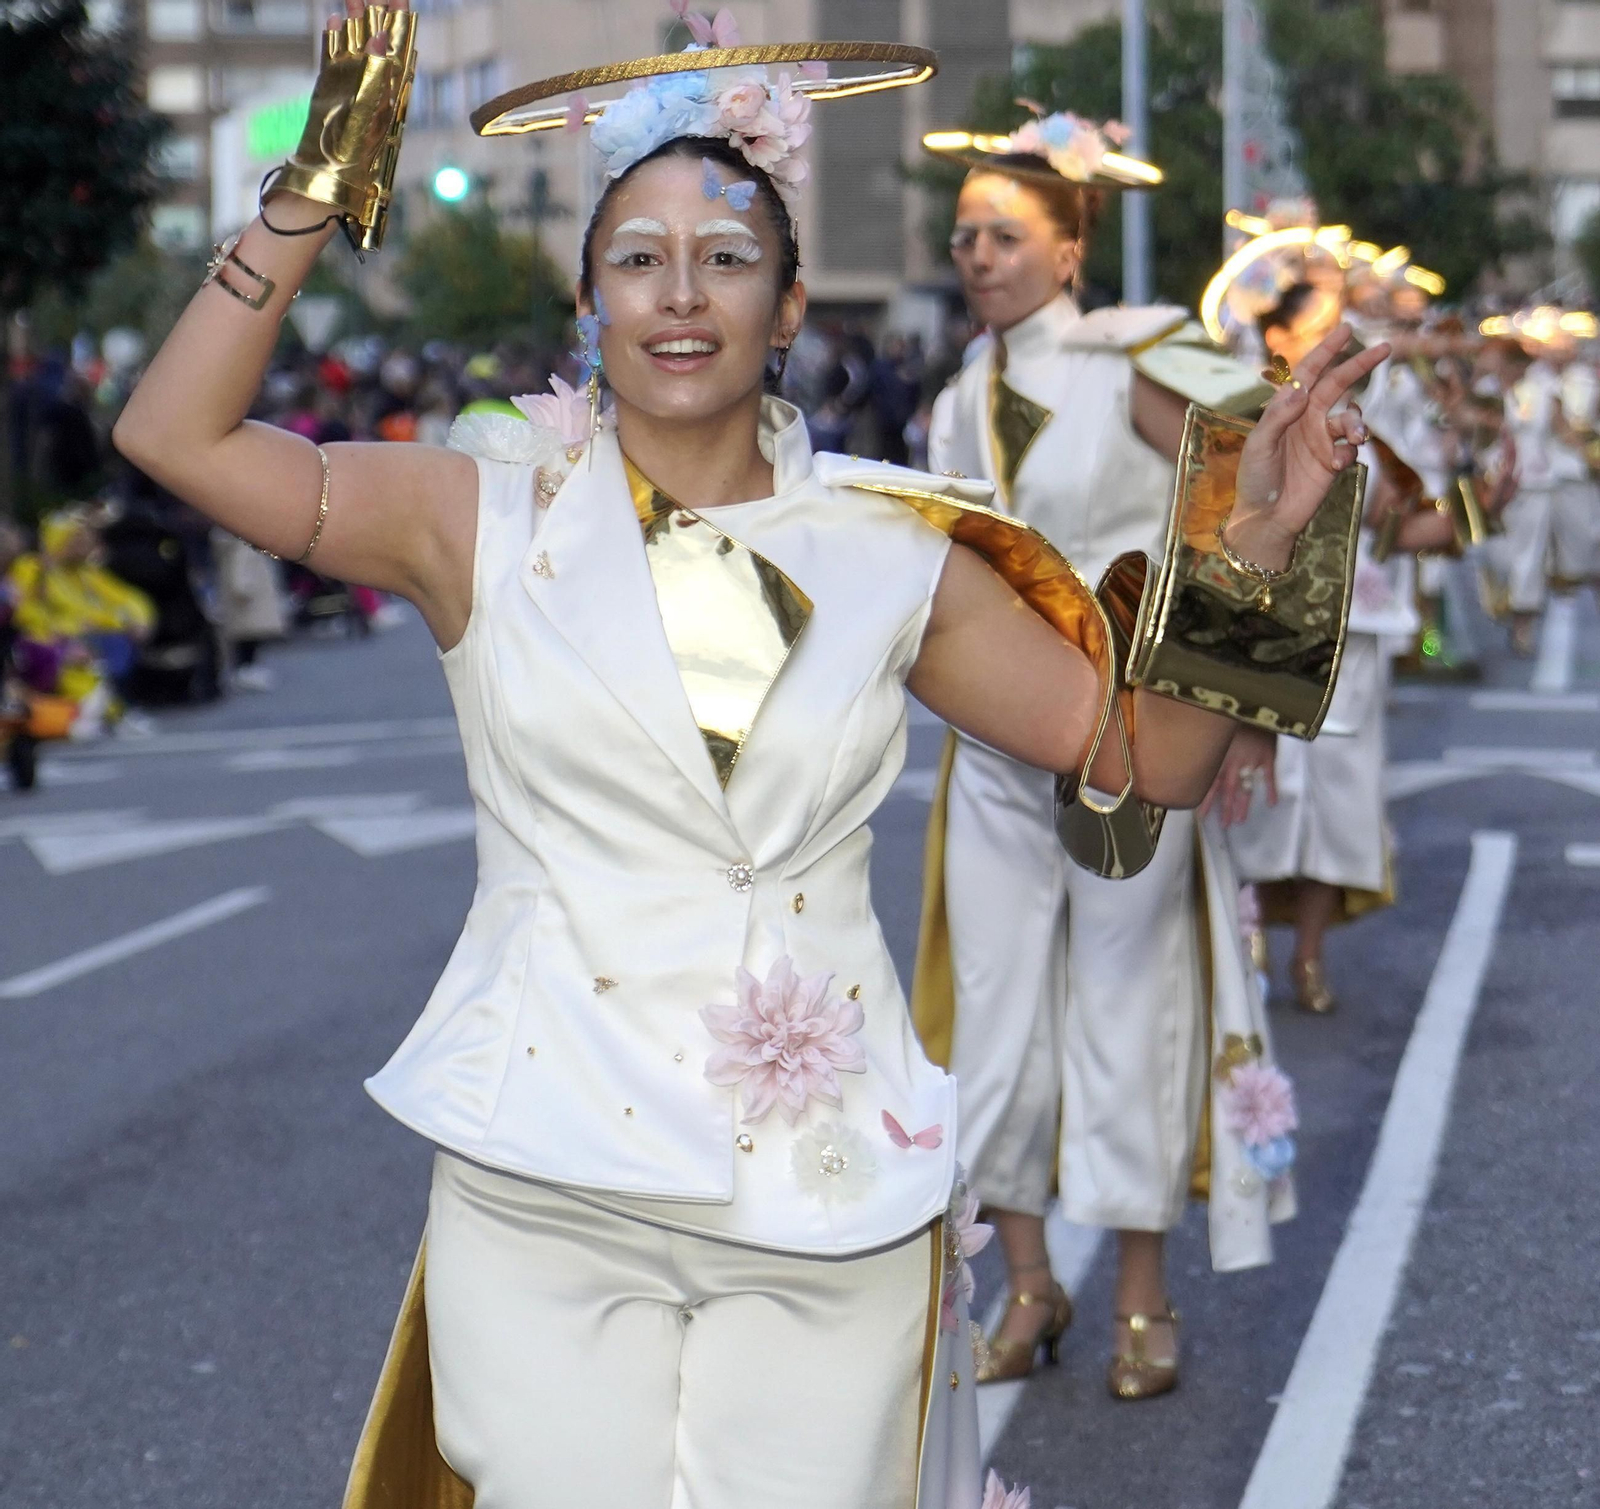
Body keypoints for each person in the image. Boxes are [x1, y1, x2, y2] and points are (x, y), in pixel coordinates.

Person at [110, 4, 1379, 1503]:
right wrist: (310, 184)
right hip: (546, 1170)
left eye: (726, 255)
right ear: (591, 299)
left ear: (786, 307)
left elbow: (1145, 758)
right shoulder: (474, 516)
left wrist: (1266, 550)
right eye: (637, 257)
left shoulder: (892, 550)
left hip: (820, 1186)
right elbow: (176, 434)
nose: (679, 291)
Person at [912, 115, 1303, 1402]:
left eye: (1006, 234)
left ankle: (1142, 1286)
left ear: (1071, 246)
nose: (978, 254)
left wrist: (1235, 708)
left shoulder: (1137, 356)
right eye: (965, 234)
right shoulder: (947, 403)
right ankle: (1028, 1281)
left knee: (1132, 1000)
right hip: (989, 752)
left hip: (1134, 743)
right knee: (996, 1010)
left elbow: (1265, 486)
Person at [1223, 272, 1459, 1013]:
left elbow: (1400, 527)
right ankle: (1246, 936)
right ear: (1278, 338)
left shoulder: (1368, 426)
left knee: (1340, 802)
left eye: (1344, 320)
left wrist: (1483, 510)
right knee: (1259, 800)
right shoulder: (1239, 416)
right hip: (1266, 628)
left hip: (1352, 644)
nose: (1341, 332)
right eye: (1323, 321)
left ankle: (1311, 956)